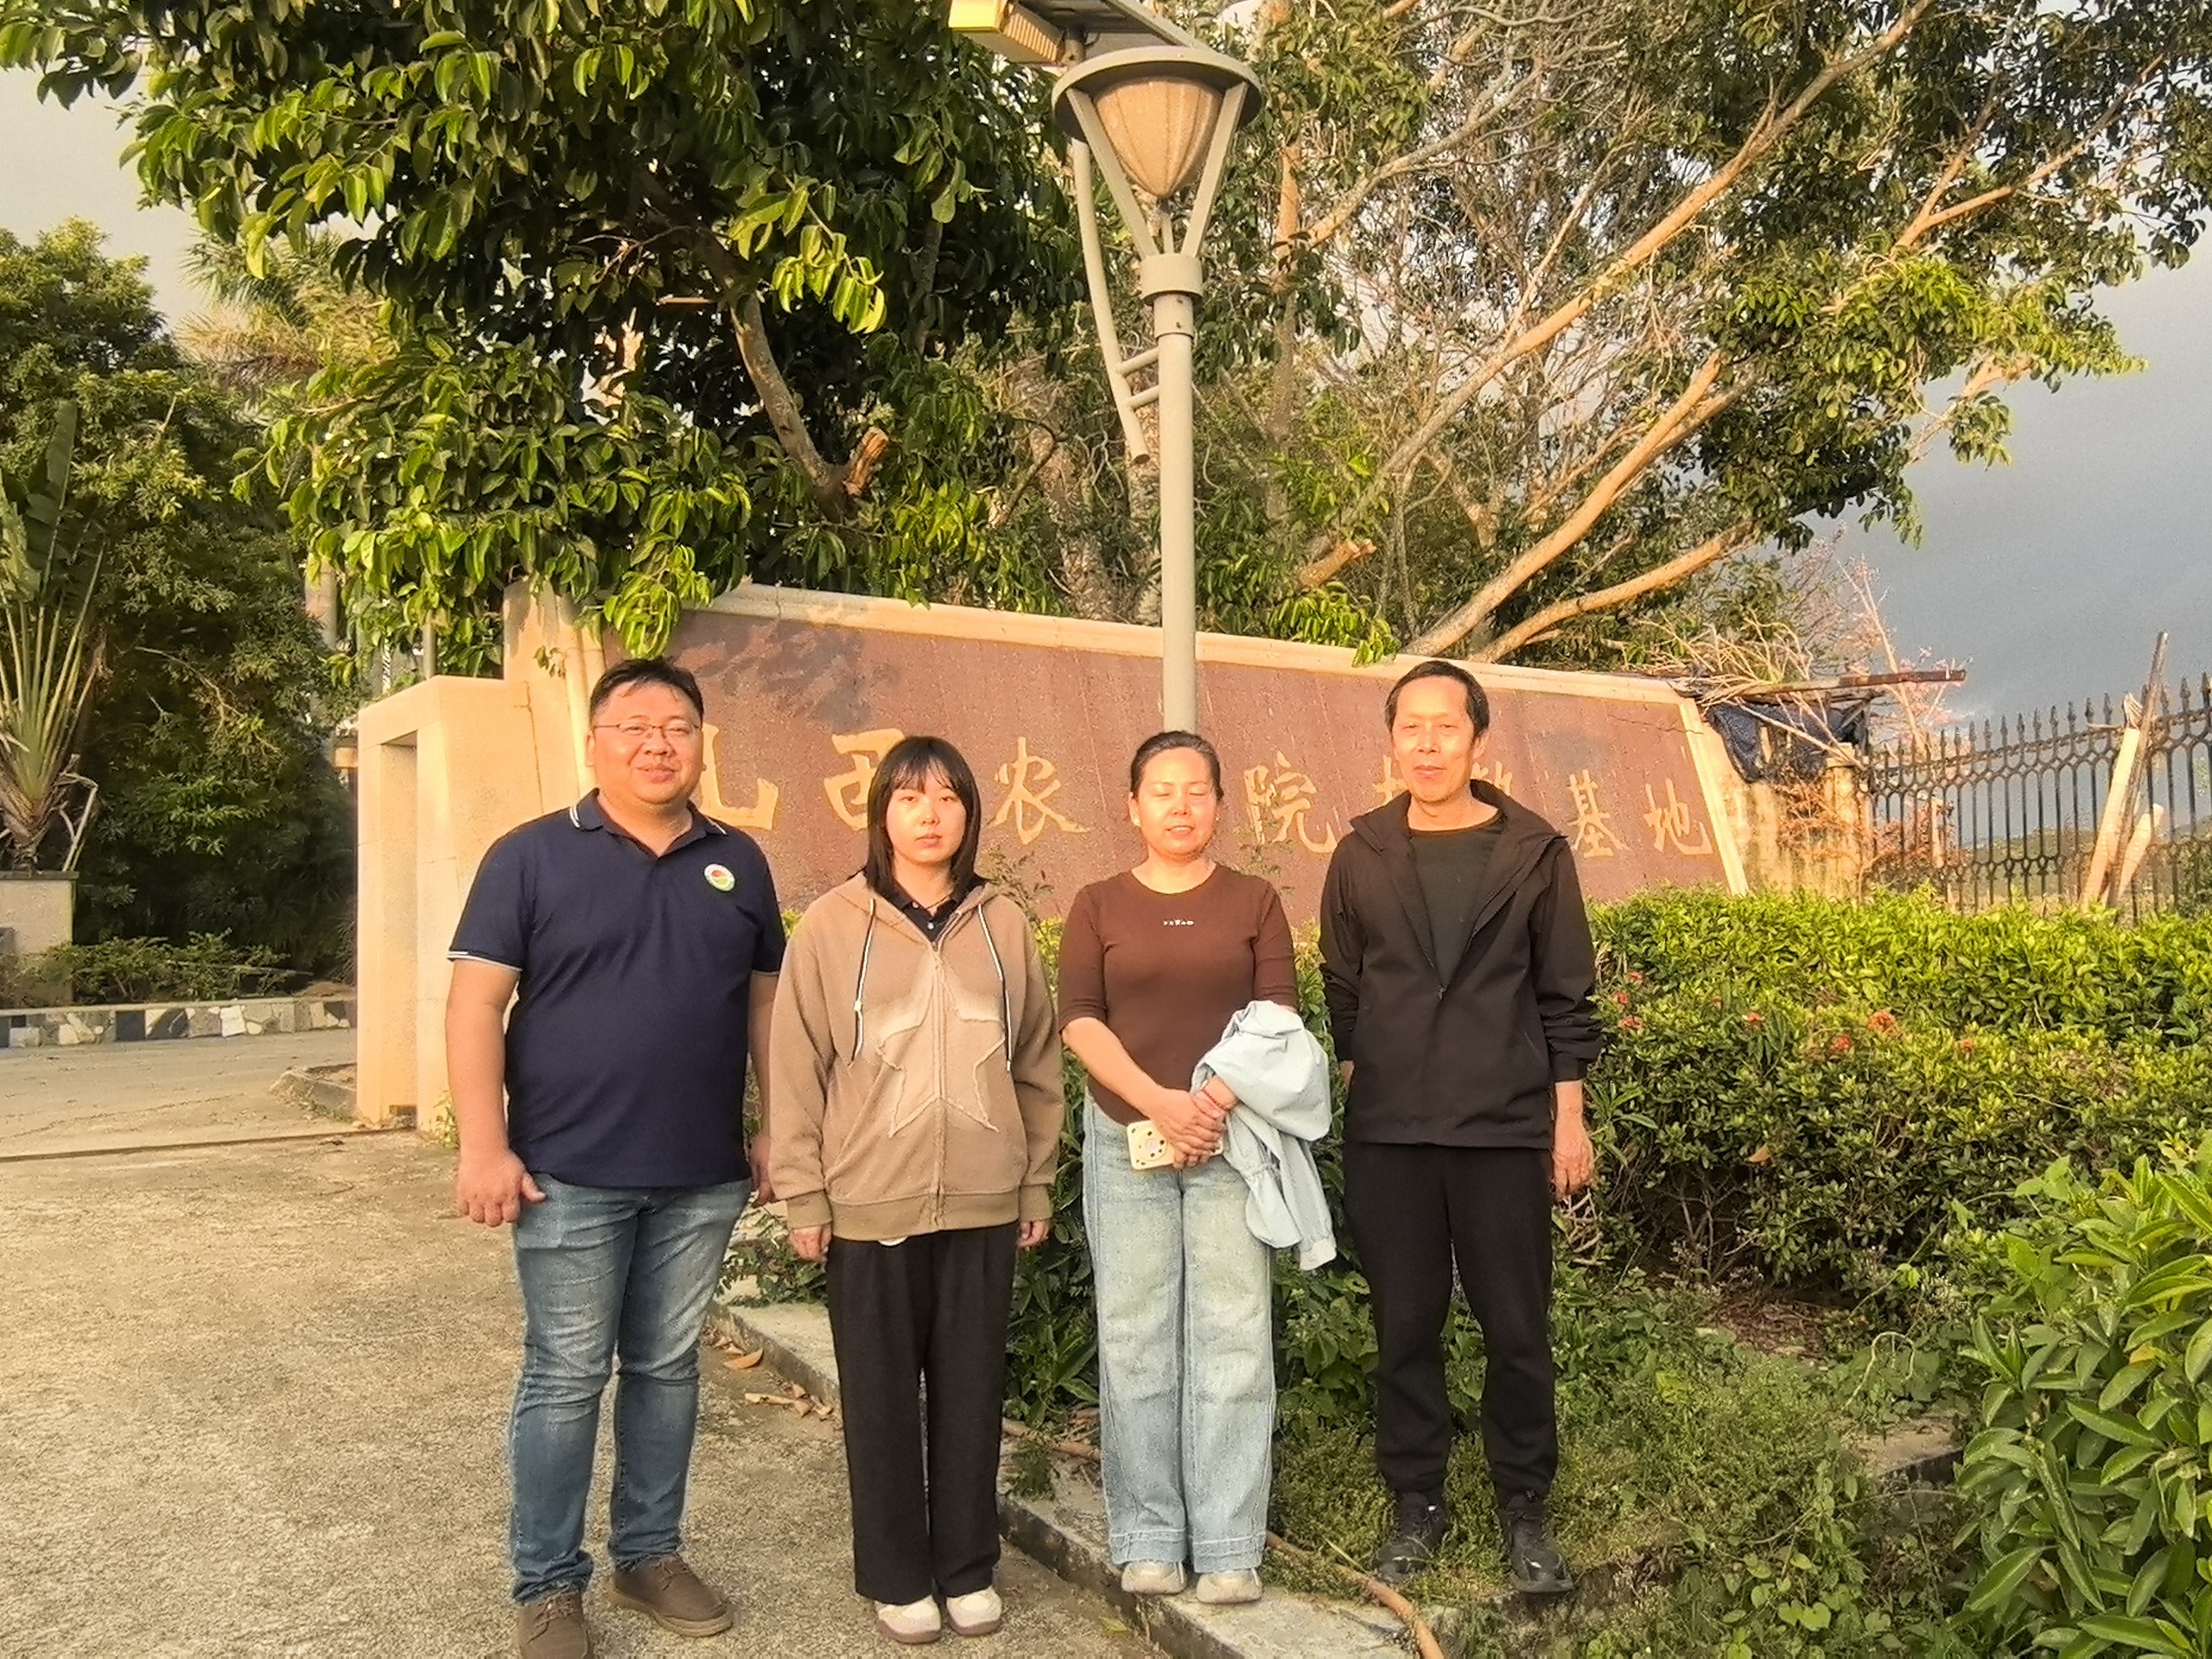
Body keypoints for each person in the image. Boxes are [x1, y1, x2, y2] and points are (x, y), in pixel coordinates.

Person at [446, 656, 786, 1659]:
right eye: (633, 727)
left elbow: (766, 1007)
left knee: (667, 1370)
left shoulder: (739, 860)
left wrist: (779, 1126)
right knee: (564, 1377)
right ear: (594, 745)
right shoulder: (530, 856)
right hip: (566, 1173)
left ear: (700, 744)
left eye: (676, 727)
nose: (656, 744)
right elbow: (475, 1005)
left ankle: (648, 1555)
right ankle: (549, 1587)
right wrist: (483, 1144)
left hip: (700, 1174)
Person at [769, 735, 1064, 1647]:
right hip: (871, 1203)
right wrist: (805, 1193)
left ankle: (967, 1567)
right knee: (881, 1402)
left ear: (970, 813)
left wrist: (1035, 1182)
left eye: (946, 798)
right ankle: (898, 1576)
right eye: (908, 798)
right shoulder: (832, 925)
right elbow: (796, 1065)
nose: (929, 815)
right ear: (881, 813)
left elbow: (1036, 1061)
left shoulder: (1003, 924)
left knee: (973, 1394)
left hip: (983, 1198)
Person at [1319, 660, 1601, 1595]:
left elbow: (1565, 997)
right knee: (1405, 1324)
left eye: (1447, 727)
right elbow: (1343, 984)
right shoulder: (1362, 852)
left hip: (1504, 1128)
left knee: (1516, 1326)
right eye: (1412, 727)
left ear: (1479, 738)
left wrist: (1567, 1122)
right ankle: (1417, 1503)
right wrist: (1368, 1072)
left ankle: (1525, 1504)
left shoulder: (1534, 851)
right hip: (1393, 1135)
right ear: (1391, 740)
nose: (1429, 744)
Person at [1058, 732, 1318, 1606]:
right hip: (1122, 1138)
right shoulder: (1098, 904)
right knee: (1136, 1340)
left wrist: (1208, 1106)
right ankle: (1149, 1538)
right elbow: (1079, 1019)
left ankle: (1230, 1545)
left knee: (1233, 1339)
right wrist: (1160, 1103)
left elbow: (1277, 1019)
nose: (1179, 805)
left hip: (1231, 1142)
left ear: (1218, 805)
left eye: (1196, 790)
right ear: (1132, 807)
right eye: (1161, 791)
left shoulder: (1253, 900)